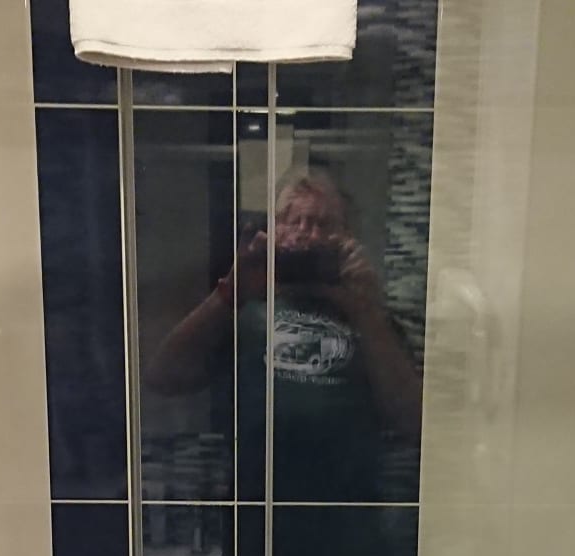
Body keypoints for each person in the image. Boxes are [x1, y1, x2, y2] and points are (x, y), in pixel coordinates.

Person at [148, 170, 422, 503]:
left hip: (349, 522)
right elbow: (163, 376)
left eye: (323, 224)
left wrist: (364, 310)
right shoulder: (243, 311)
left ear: (348, 238)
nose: (307, 234)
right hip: (255, 521)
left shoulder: (368, 317)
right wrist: (229, 294)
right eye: (294, 221)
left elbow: (413, 422)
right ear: (272, 232)